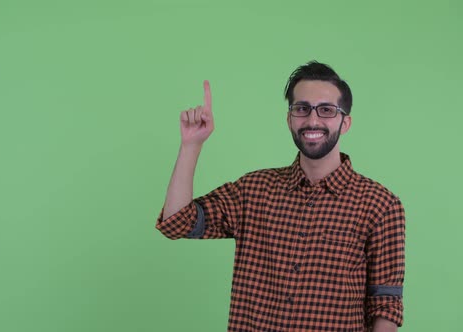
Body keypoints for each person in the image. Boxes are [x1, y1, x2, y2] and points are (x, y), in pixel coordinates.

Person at [156, 61, 406, 332]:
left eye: (326, 110)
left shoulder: (380, 205)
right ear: (289, 119)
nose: (312, 120)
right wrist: (191, 145)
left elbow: (385, 305)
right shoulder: (254, 191)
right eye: (301, 109)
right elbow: (176, 222)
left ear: (345, 122)